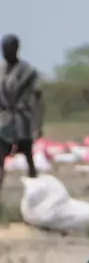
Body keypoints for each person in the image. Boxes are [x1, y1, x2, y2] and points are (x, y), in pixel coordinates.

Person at [0, 34, 44, 194]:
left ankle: (35, 191)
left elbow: (38, 98)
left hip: (22, 120)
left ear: (16, 49)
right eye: (3, 49)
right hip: (4, 119)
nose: (5, 52)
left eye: (9, 49)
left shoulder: (28, 71)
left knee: (27, 155)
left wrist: (37, 124)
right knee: (1, 155)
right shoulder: (1, 69)